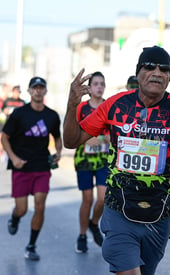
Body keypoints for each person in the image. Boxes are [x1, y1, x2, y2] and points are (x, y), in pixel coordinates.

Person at [63, 46, 170, 275]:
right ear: (138, 72)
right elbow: (71, 141)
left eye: (165, 69)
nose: (157, 72)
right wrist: (72, 105)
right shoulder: (115, 105)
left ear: (169, 77)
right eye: (150, 66)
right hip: (118, 209)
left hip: (160, 214)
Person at [1, 76, 62, 261]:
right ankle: (15, 217)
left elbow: (57, 137)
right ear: (29, 91)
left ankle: (31, 245)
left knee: (40, 206)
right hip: (21, 167)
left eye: (41, 88)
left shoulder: (51, 115)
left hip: (42, 166)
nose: (38, 91)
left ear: (45, 91)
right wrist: (13, 158)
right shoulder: (19, 114)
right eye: (34, 88)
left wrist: (58, 152)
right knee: (22, 209)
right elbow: (4, 137)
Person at [73, 71, 110, 253]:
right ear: (89, 87)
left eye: (102, 84)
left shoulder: (109, 106)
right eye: (96, 83)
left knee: (102, 199)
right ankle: (81, 235)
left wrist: (104, 138)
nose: (99, 87)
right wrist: (85, 139)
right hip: (84, 159)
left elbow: (114, 132)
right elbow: (73, 132)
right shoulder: (81, 108)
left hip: (103, 159)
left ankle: (93, 223)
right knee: (87, 199)